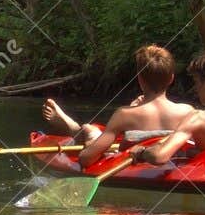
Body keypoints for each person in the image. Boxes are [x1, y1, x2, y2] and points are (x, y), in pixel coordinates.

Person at [43, 44, 196, 169]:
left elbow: (86, 160)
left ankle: (80, 131)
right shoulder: (188, 112)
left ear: (140, 80)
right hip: (165, 161)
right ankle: (82, 131)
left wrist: (132, 110)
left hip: (131, 154)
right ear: (171, 79)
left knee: (95, 138)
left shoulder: (125, 115)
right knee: (107, 135)